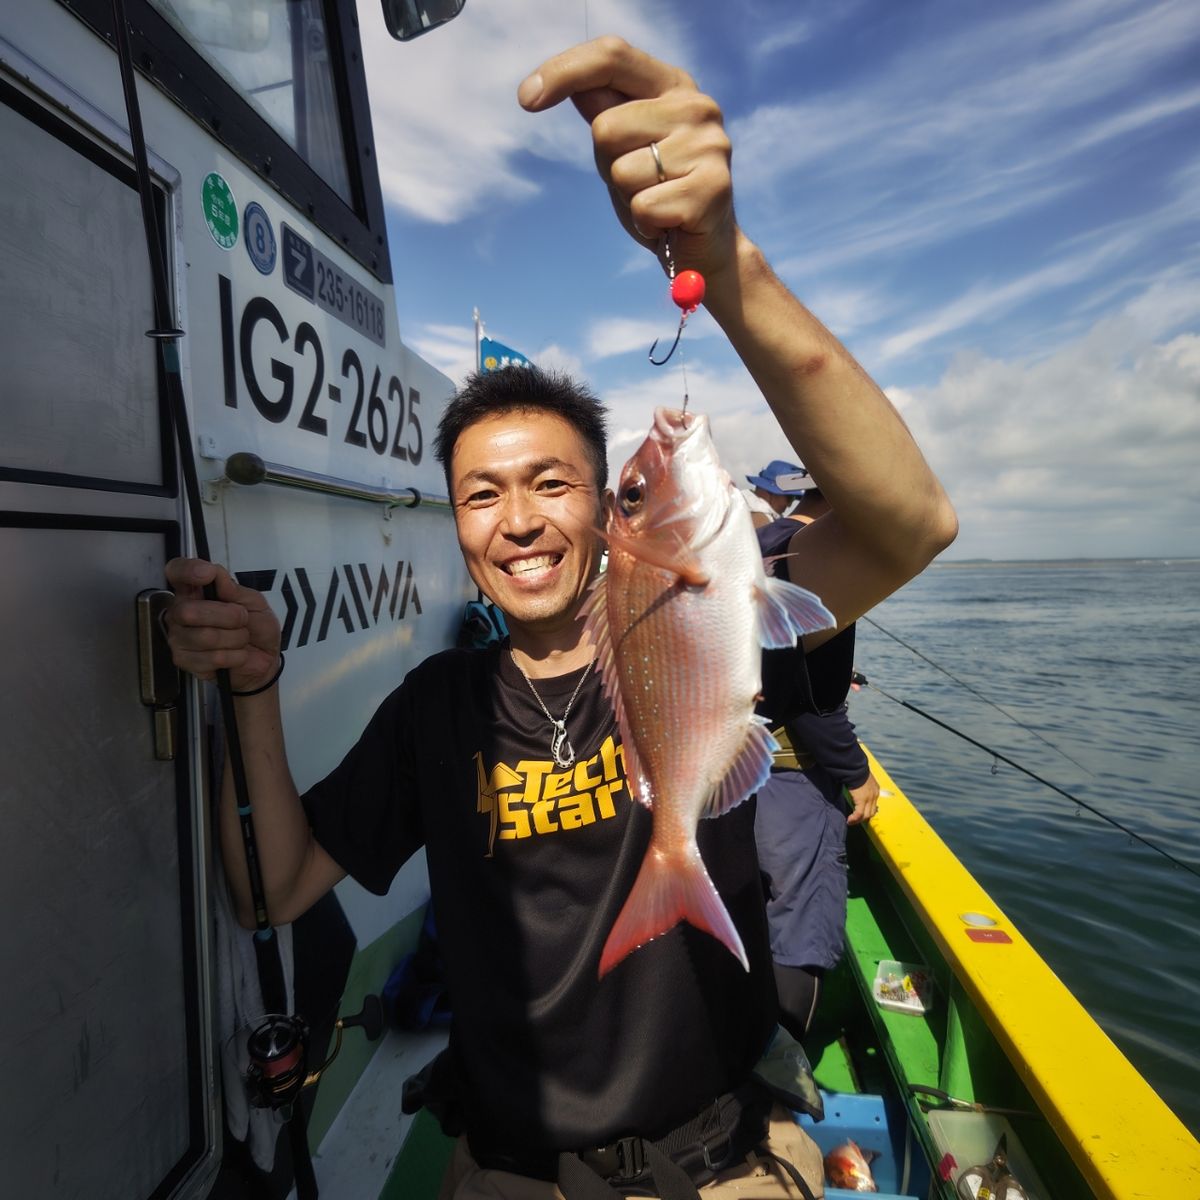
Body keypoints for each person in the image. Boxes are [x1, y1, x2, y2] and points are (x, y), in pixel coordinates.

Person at [162, 37, 957, 1200]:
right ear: (457, 529)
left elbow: (910, 522)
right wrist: (252, 687)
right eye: (481, 495)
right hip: (503, 1170)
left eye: (552, 484)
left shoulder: (702, 612)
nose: (519, 520)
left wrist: (726, 265)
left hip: (722, 1160)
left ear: (605, 511)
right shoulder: (436, 708)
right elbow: (269, 888)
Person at [749, 467, 880, 1041]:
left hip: (734, 772)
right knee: (801, 918)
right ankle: (779, 1076)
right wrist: (858, 774)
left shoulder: (759, 546)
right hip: (790, 775)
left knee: (748, 906)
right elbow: (811, 703)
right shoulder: (821, 564)